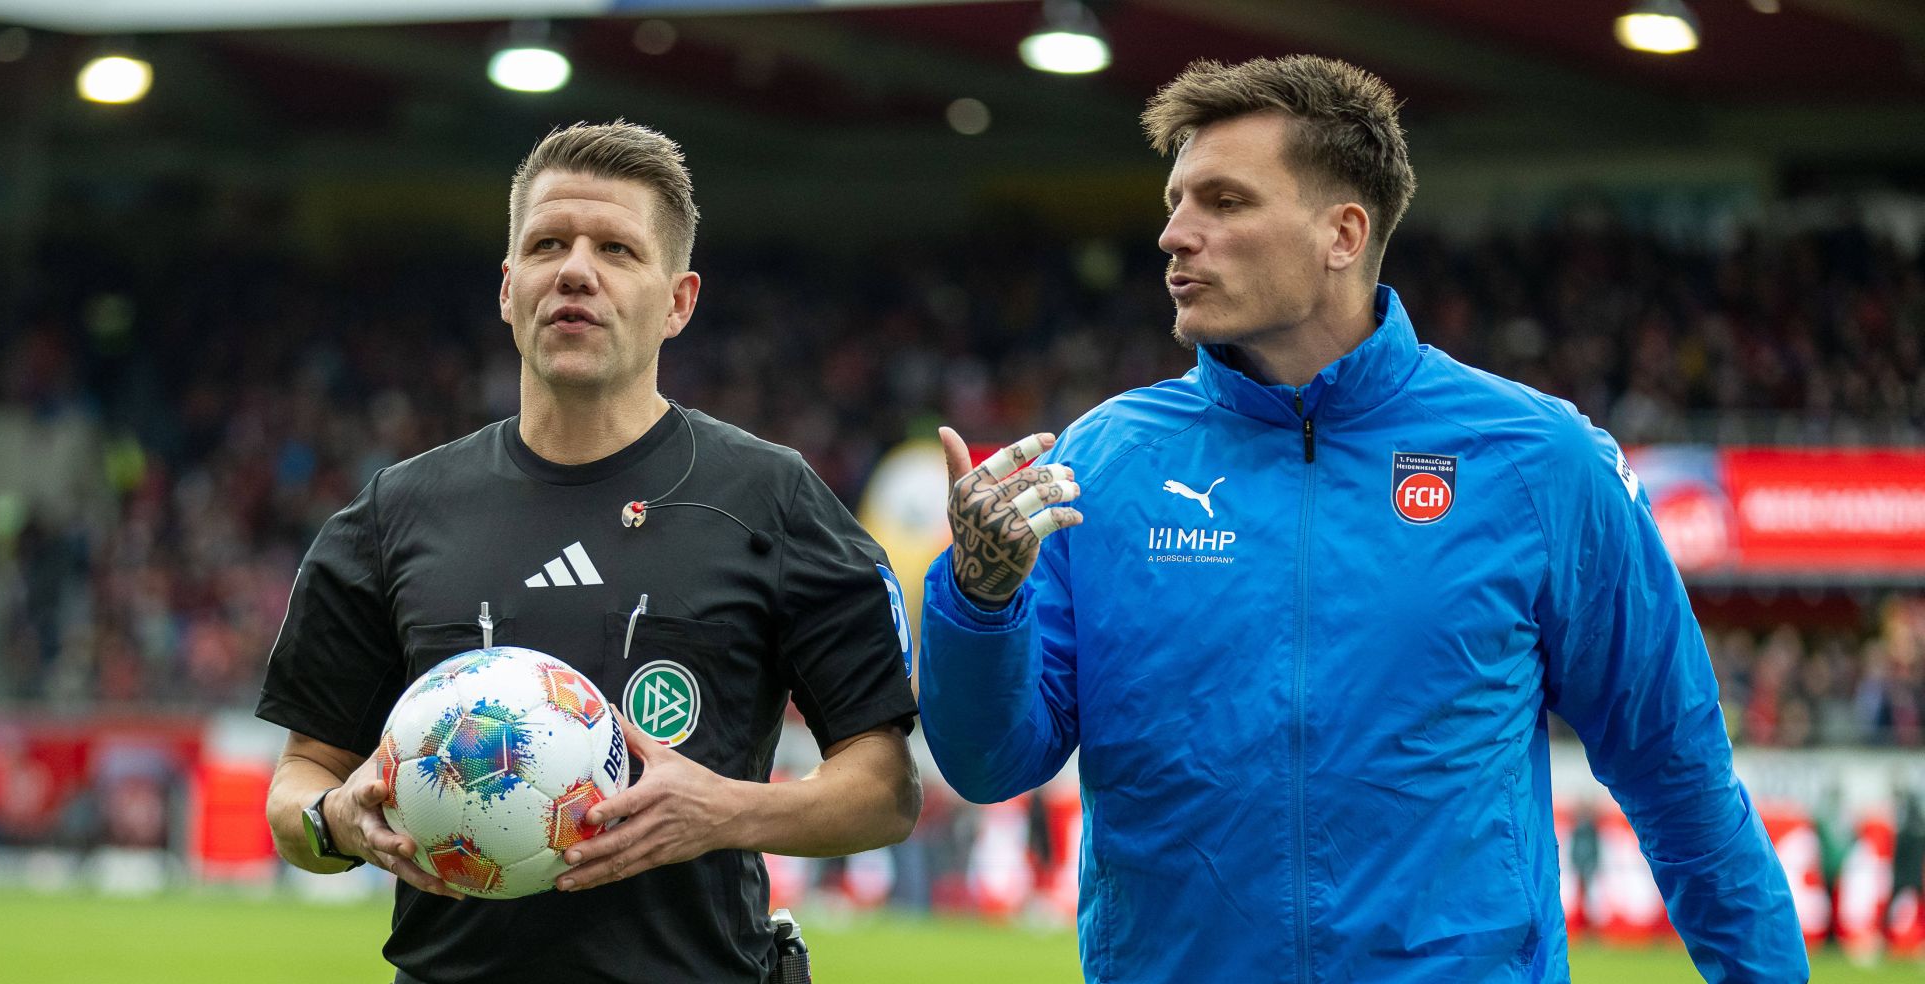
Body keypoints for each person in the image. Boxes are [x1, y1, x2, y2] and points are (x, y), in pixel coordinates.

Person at [917, 56, 1806, 982]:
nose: (1174, 235)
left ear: (1343, 232)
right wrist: (979, 602)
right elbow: (989, 765)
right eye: (1176, 200)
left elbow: (1682, 781)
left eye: (1223, 201)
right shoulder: (1102, 464)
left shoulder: (1540, 462)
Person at [258, 121, 921, 984]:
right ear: (508, 288)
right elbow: (298, 784)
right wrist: (334, 821)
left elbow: (885, 790)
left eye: (616, 248)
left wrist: (724, 812)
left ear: (678, 301)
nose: (576, 269)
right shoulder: (395, 512)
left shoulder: (772, 499)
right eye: (547, 245)